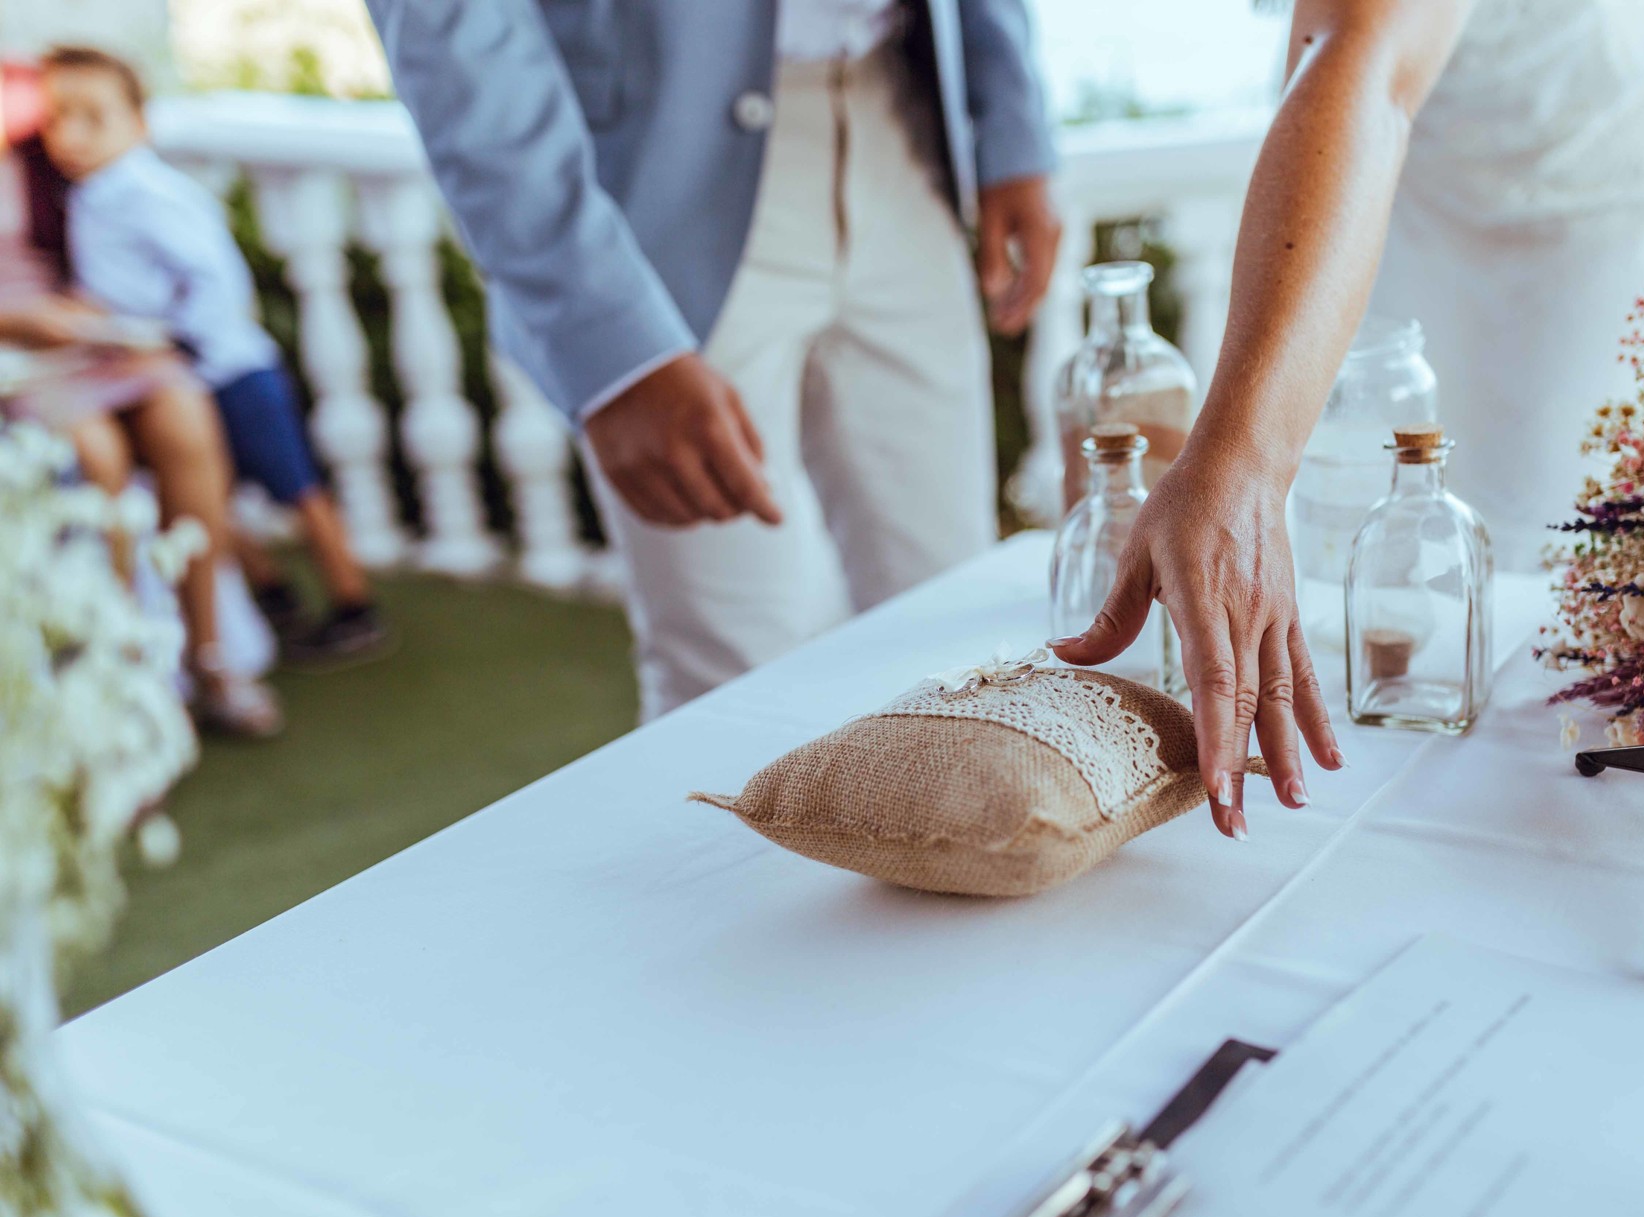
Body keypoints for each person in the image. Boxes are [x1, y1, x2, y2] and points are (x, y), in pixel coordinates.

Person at [1051, 0, 1644, 838]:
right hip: (1387, 148)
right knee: (1387, 538)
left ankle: (1543, 842)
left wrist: (1241, 464)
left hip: (1588, 152)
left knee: (1548, 551)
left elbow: (1365, 59)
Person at [364, 0, 1061, 719]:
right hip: (661, 175)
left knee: (954, 637)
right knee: (730, 690)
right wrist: (613, 347)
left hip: (904, 119)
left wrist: (1011, 117)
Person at [39, 45, 389, 665]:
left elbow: (211, 280)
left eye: (94, 117)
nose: (72, 135)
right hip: (166, 369)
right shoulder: (86, 197)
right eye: (58, 118)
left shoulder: (148, 191)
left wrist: (177, 339)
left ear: (139, 123)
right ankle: (272, 592)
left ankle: (352, 600)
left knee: (296, 486)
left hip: (224, 368)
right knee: (210, 495)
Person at [3, 101, 284, 737]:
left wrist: (121, 318)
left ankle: (209, 655)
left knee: (184, 414)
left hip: (94, 336)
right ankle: (127, 669)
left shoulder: (41, 136)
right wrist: (21, 322)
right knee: (96, 455)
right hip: (17, 353)